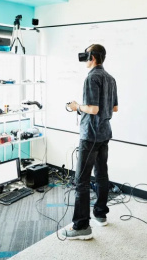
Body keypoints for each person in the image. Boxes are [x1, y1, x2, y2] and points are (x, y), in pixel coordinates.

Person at [63, 44, 118, 240]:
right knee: (101, 174)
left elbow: (93, 109)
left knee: (81, 181)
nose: (84, 59)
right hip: (104, 133)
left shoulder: (92, 78)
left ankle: (81, 227)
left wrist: (77, 106)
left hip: (90, 135)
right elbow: (115, 108)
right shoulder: (110, 78)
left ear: (93, 57)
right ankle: (100, 214)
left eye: (86, 56)